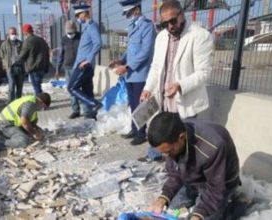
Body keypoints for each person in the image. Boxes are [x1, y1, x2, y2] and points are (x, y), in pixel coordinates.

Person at [140, 0, 213, 159]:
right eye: (164, 23)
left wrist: (180, 85)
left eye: (172, 21)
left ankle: (185, 173)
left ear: (181, 15)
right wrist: (147, 88)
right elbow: (155, 66)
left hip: (185, 101)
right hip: (163, 99)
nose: (169, 26)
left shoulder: (200, 36)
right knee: (161, 132)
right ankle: (157, 158)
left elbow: (204, 72)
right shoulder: (161, 37)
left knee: (183, 143)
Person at [147, 112, 241, 220]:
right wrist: (163, 198)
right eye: (163, 153)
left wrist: (198, 216)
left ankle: (232, 205)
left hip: (220, 184)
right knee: (172, 208)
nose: (166, 156)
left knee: (205, 215)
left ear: (181, 137)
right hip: (193, 179)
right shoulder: (173, 137)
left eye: (169, 151)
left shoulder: (213, 147)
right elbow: (175, 173)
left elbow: (215, 189)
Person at [110, 0, 156, 145]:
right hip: (130, 73)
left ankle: (141, 134)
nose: (127, 16)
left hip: (140, 73)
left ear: (136, 10)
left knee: (140, 105)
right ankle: (134, 129)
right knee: (132, 103)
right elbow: (131, 50)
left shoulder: (147, 26)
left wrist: (127, 67)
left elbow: (145, 52)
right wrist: (120, 61)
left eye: (129, 13)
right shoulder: (132, 26)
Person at [67, 3, 102, 120]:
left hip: (84, 65)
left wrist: (88, 60)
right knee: (87, 91)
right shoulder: (86, 27)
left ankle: (94, 104)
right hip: (83, 64)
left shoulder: (91, 26)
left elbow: (98, 43)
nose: (77, 18)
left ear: (84, 13)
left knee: (71, 87)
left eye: (78, 15)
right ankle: (91, 118)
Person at [56, 20, 84, 119]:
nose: (70, 34)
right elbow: (61, 54)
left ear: (75, 30)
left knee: (81, 89)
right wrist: (57, 68)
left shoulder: (81, 37)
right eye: (68, 33)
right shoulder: (64, 39)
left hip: (80, 67)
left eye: (72, 32)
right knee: (71, 89)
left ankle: (86, 109)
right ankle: (75, 110)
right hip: (68, 67)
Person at [18, 24, 50, 95]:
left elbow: (23, 55)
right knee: (38, 86)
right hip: (42, 66)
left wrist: (17, 60)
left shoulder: (28, 41)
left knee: (37, 88)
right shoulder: (41, 40)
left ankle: (41, 103)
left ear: (25, 32)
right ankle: (41, 101)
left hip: (33, 67)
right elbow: (47, 53)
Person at [0, 27, 25, 102]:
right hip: (10, 68)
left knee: (19, 86)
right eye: (12, 33)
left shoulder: (20, 43)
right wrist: (5, 64)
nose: (13, 35)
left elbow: (25, 54)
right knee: (11, 86)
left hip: (20, 67)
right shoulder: (4, 44)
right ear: (8, 34)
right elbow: (1, 55)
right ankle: (10, 102)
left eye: (14, 33)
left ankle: (18, 102)